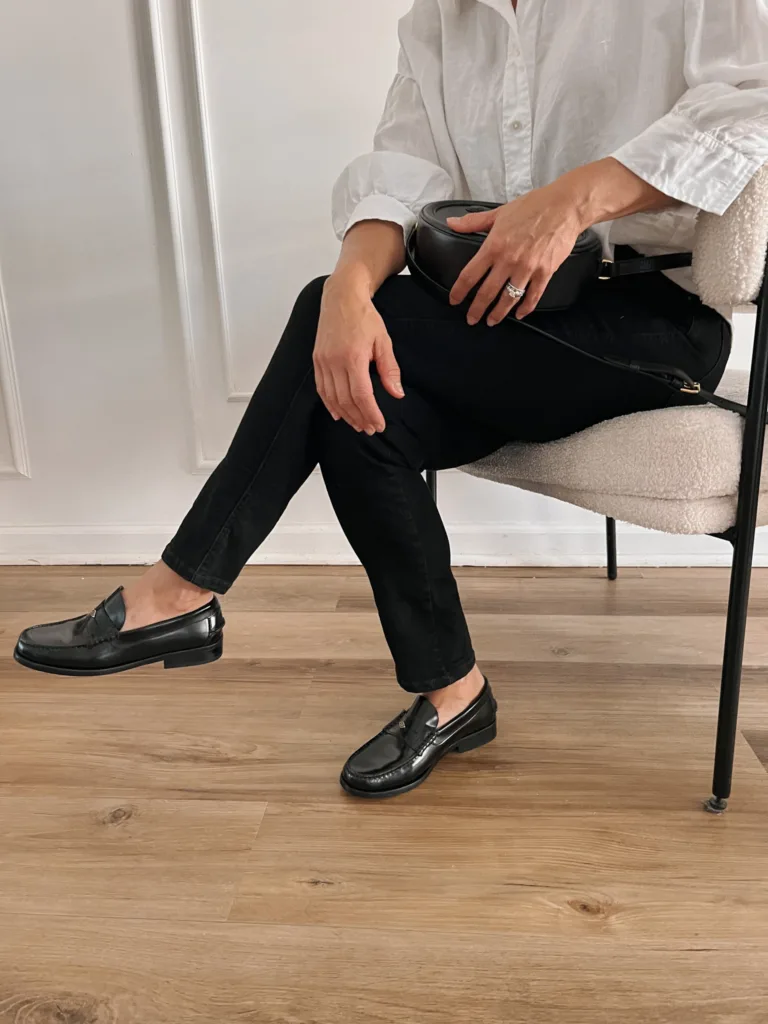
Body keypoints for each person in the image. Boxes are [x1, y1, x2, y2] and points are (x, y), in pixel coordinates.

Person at [14, 0, 768, 798]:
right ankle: (454, 694)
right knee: (353, 400)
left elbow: (753, 99)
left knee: (352, 363)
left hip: (651, 321)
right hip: (501, 318)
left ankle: (180, 589)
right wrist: (347, 289)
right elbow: (403, 175)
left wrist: (577, 199)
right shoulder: (442, 20)